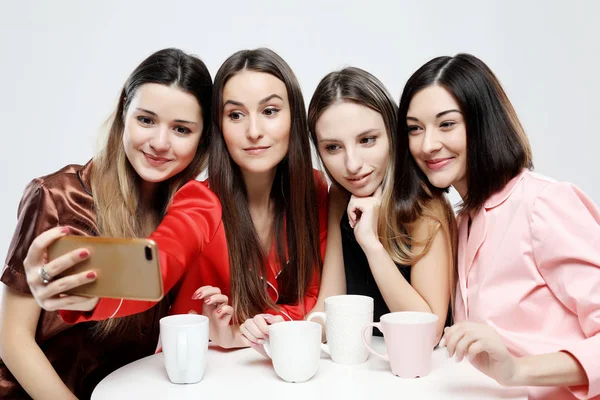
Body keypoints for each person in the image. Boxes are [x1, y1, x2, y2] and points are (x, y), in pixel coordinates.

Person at [36, 48, 329, 350]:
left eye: (269, 111)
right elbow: (154, 269)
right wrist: (75, 289)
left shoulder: (315, 191)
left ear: (294, 117)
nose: (254, 131)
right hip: (186, 376)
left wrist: (253, 328)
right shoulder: (200, 201)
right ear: (218, 127)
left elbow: (317, 299)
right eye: (236, 115)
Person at [0, 48, 214, 399]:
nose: (160, 143)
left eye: (181, 129)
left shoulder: (187, 213)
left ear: (203, 139)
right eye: (146, 120)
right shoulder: (56, 195)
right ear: (123, 112)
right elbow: (13, 339)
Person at [401, 53, 600, 399]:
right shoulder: (461, 221)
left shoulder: (544, 204)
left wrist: (517, 370)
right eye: (414, 128)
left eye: (447, 124)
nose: (427, 144)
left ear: (483, 123)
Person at [307, 67, 455, 340]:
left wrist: (371, 245)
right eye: (333, 147)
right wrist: (282, 335)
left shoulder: (426, 206)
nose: (352, 165)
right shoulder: (341, 196)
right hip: (364, 368)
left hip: (418, 370)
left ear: (393, 134)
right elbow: (329, 306)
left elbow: (428, 332)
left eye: (367, 140)